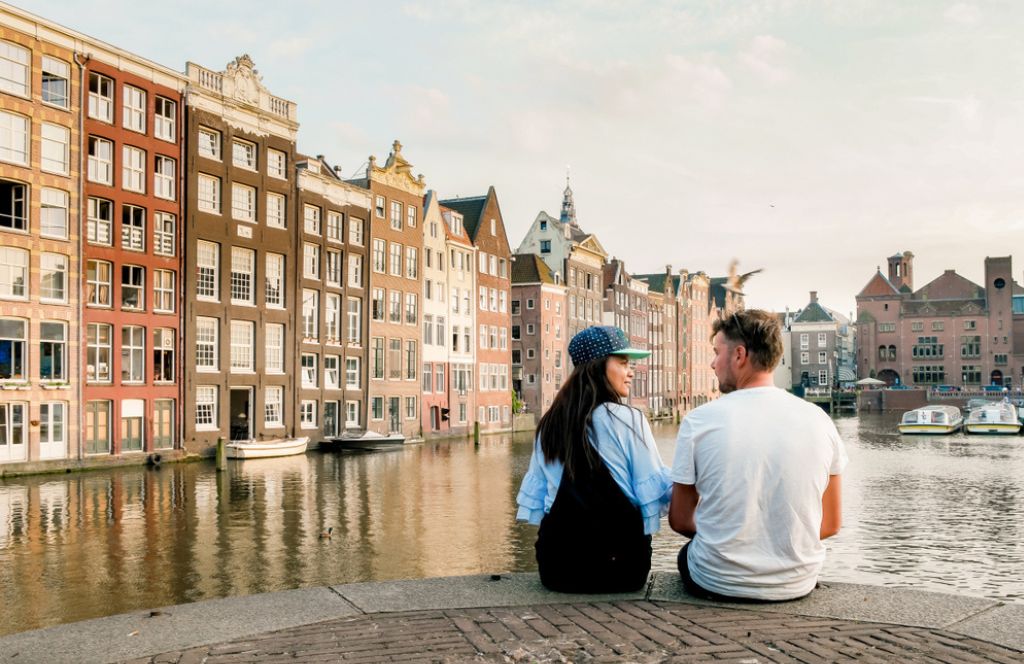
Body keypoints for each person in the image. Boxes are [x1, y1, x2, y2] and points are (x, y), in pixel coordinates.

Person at [669, 310, 847, 602]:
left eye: (716, 353)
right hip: (796, 582)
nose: (712, 364)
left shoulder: (699, 421)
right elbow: (830, 524)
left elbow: (680, 520)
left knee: (686, 555)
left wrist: (731, 536)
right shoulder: (819, 419)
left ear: (739, 355)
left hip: (716, 580)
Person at [516, 326, 672, 593]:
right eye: (623, 363)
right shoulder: (628, 419)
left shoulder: (549, 424)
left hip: (557, 569)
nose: (631, 371)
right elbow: (654, 493)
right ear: (599, 367)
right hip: (619, 569)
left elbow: (542, 504)